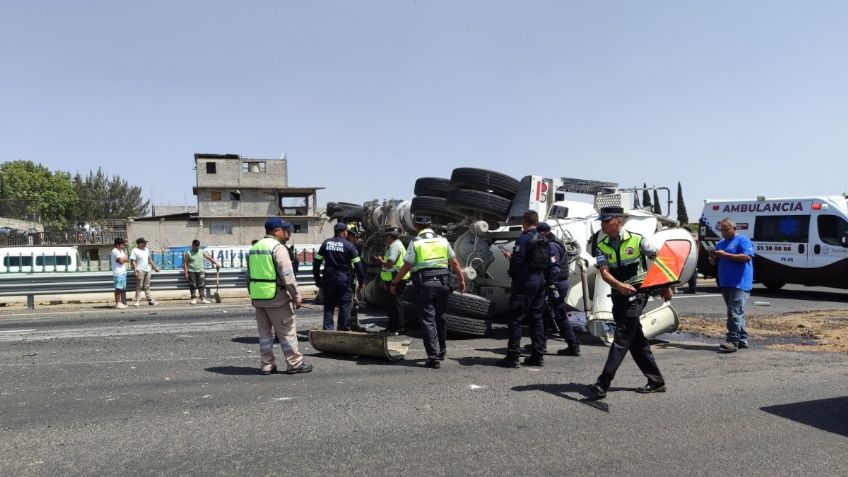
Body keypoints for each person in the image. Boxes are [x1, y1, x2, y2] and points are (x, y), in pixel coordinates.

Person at [588, 206, 672, 399]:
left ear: (618, 221)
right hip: (619, 295)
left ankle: (603, 384)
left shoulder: (638, 240)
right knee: (636, 341)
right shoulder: (601, 246)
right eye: (601, 221)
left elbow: (662, 259)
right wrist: (620, 286)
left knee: (622, 337)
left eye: (606, 221)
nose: (602, 225)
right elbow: (604, 273)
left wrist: (666, 286)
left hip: (638, 294)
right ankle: (656, 381)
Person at [389, 215, 466, 369]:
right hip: (444, 284)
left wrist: (395, 282)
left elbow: (407, 266)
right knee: (441, 317)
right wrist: (462, 280)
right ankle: (442, 350)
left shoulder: (416, 242)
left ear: (417, 227)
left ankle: (433, 357)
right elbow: (455, 262)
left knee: (428, 320)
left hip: (426, 285)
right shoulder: (443, 241)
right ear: (431, 225)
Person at [246, 218, 312, 375]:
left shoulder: (255, 248)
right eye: (284, 229)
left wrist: (253, 295)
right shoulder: (278, 248)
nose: (286, 232)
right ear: (276, 231)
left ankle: (267, 365)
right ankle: (294, 364)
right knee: (287, 332)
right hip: (277, 298)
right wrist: (296, 296)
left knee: (265, 335)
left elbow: (248, 276)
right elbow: (288, 275)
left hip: (259, 298)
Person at [497, 210, 548, 368]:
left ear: (524, 222)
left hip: (526, 281)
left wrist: (510, 257)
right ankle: (537, 355)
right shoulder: (543, 238)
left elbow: (518, 262)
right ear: (537, 222)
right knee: (537, 318)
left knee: (516, 318)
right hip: (540, 280)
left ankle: (513, 356)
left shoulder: (523, 238)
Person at [709, 218, 754, 353]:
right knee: (737, 312)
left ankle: (732, 341)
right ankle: (741, 339)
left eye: (726, 229)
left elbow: (747, 257)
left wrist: (726, 254)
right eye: (721, 230)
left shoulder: (743, 240)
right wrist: (713, 257)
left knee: (733, 312)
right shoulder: (720, 244)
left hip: (740, 283)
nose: (723, 232)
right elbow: (714, 263)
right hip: (726, 282)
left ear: (734, 229)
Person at [536, 222, 581, 357]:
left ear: (543, 233)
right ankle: (540, 344)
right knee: (545, 313)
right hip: (558, 283)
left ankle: (573, 346)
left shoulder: (552, 245)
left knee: (559, 314)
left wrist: (551, 284)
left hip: (556, 284)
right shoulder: (556, 242)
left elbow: (554, 267)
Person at [313, 223, 365, 331]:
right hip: (344, 280)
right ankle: (344, 329)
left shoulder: (325, 244)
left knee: (329, 306)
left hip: (329, 279)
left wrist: (318, 279)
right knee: (345, 305)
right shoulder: (349, 246)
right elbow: (358, 266)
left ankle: (327, 330)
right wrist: (361, 282)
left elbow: (316, 262)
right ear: (345, 232)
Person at [375, 226, 410, 335]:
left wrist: (380, 260)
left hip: (396, 279)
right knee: (393, 304)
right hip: (394, 278)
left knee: (396, 304)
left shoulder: (395, 246)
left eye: (386, 236)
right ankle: (392, 327)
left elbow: (390, 263)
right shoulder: (394, 245)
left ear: (390, 236)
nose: (386, 238)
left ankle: (399, 328)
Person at [183, 240, 220, 304]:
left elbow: (209, 258)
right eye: (196, 246)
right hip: (192, 271)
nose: (197, 247)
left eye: (198, 246)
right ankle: (193, 298)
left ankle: (202, 298)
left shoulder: (202, 251)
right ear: (193, 245)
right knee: (193, 285)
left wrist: (216, 263)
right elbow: (185, 263)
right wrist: (186, 273)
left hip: (201, 270)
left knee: (201, 285)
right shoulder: (188, 253)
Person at [130, 237, 160, 306]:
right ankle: (137, 301)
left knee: (147, 286)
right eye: (144, 243)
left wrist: (155, 268)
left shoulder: (146, 250)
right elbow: (133, 261)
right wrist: (135, 271)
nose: (145, 244)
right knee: (139, 286)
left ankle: (150, 300)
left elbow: (150, 260)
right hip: (139, 269)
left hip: (148, 270)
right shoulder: (134, 250)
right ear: (140, 244)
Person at [111, 237, 129, 309]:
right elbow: (121, 261)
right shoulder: (115, 251)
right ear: (117, 245)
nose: (123, 246)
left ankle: (120, 302)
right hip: (118, 273)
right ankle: (117, 303)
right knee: (118, 288)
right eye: (122, 245)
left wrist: (123, 259)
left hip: (123, 272)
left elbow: (127, 259)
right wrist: (123, 259)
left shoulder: (121, 251)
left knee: (121, 288)